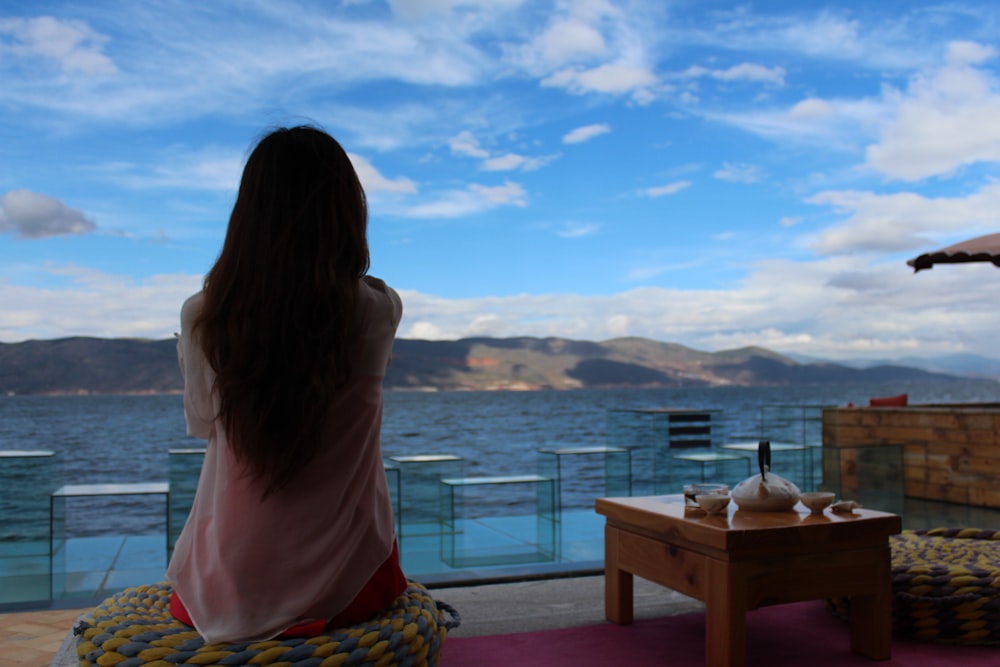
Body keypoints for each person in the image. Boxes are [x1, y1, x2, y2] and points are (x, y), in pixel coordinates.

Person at [166, 125, 407, 643]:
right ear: (346, 211)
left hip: (215, 586)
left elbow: (202, 423)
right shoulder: (377, 309)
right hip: (347, 582)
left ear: (247, 215)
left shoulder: (203, 316)